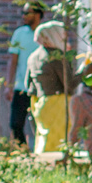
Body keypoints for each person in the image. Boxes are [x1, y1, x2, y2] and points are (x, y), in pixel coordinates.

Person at [26, 20, 76, 154]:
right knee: (59, 147)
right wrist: (86, 70)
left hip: (41, 104)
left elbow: (28, 85)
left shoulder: (33, 57)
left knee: (44, 142)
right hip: (59, 105)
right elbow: (70, 85)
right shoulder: (57, 56)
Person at [5, 1, 45, 145]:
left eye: (27, 13)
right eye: (23, 13)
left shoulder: (45, 34)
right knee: (15, 124)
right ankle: (22, 153)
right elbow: (13, 61)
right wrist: (8, 85)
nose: (23, 16)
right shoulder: (19, 33)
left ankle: (40, 155)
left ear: (38, 14)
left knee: (41, 126)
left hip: (40, 90)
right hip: (21, 87)